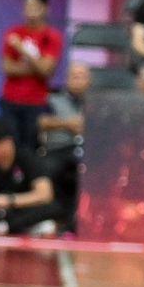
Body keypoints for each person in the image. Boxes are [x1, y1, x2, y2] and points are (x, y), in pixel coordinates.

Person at [0, 117, 63, 237]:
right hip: (2, 214)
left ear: (8, 141)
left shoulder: (28, 159)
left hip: (27, 212)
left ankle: (10, 227)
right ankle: (5, 227)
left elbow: (45, 194)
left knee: (51, 212)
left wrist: (10, 200)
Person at [0, 0, 63, 152]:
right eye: (26, 6)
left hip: (36, 103)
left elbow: (46, 70)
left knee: (31, 148)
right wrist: (36, 67)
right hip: (10, 100)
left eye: (34, 6)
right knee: (10, 146)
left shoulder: (52, 37)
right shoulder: (13, 33)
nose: (29, 10)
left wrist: (22, 48)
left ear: (45, 8)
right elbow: (7, 68)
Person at [38, 61, 89, 231]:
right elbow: (41, 122)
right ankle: (54, 216)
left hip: (88, 151)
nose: (77, 80)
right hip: (58, 148)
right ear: (66, 79)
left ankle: (81, 219)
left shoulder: (97, 103)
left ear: (89, 81)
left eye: (81, 76)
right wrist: (68, 124)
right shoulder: (52, 99)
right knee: (48, 168)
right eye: (74, 76)